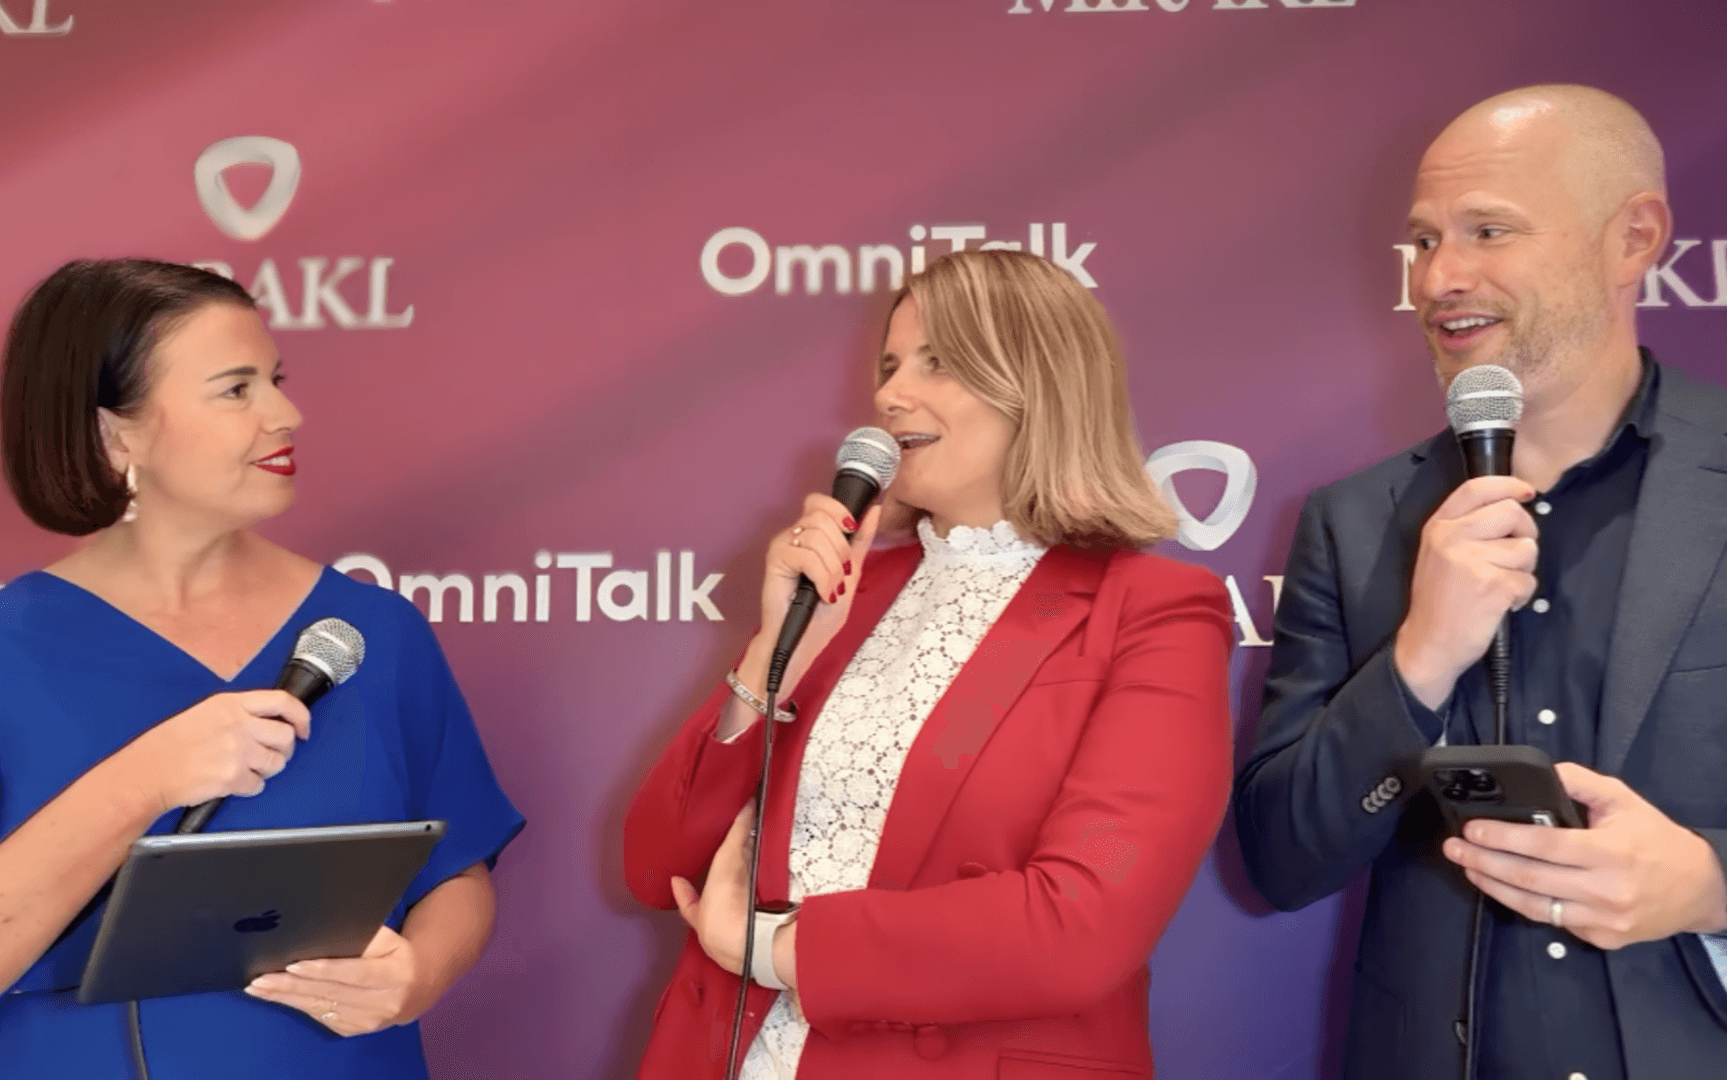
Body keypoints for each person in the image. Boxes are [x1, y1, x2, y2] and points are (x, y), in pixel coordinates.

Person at [623, 249, 1233, 1079]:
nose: (887, 395)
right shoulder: (842, 591)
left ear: (1041, 383)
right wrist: (775, 655)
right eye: (888, 364)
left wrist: (776, 950)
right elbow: (660, 868)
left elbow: (1080, 929)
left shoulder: (1153, 609)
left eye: (938, 362)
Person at [1234, 85, 1727, 1080]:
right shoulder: (1354, 521)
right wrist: (1416, 661)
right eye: (1420, 243)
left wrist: (1712, 885)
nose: (1438, 279)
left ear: (1632, 238)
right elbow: (1282, 859)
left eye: (1486, 231)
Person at [0, 259, 524, 1079]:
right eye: (236, 389)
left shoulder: (372, 631)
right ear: (116, 433)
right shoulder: (11, 648)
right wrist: (145, 779)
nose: (286, 413)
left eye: (274, 380)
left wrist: (418, 976)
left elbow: (454, 874)